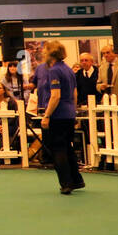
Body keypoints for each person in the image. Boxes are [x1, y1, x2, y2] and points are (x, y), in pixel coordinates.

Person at [39, 40, 83, 194]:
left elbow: (55, 96)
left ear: (51, 54)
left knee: (58, 149)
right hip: (69, 113)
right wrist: (73, 111)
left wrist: (47, 116)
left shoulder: (54, 71)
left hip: (58, 115)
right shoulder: (69, 69)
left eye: (45, 51)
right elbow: (75, 94)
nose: (43, 53)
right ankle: (77, 179)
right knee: (68, 147)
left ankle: (66, 183)